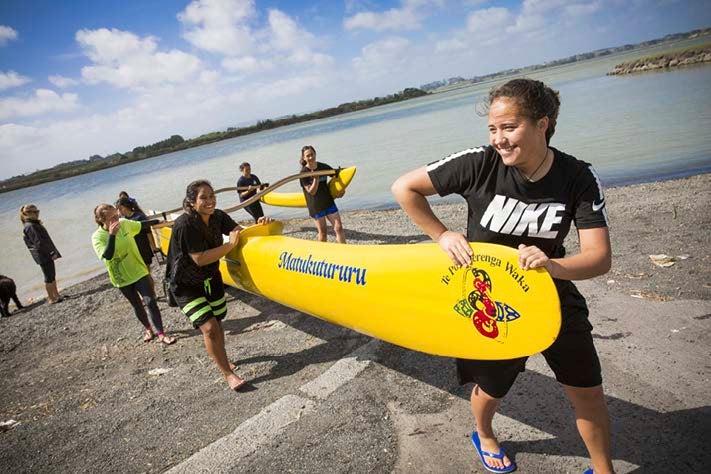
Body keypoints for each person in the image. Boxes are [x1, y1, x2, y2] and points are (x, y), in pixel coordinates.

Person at [392, 78, 614, 474]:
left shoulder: (577, 176)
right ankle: (484, 432)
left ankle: (603, 470)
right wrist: (443, 235)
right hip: (489, 301)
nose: (499, 139)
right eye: (493, 129)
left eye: (509, 127)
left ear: (542, 124)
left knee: (588, 391)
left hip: (551, 295)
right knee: (493, 386)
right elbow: (405, 187)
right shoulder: (480, 164)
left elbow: (599, 258)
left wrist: (553, 265)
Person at [166, 179, 271, 391]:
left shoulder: (218, 216)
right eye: (203, 197)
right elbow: (200, 258)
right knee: (210, 328)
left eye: (212, 196)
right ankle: (228, 373)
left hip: (211, 279)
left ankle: (223, 359)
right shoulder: (185, 224)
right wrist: (229, 245)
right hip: (185, 284)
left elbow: (239, 232)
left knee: (218, 324)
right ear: (191, 202)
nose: (209, 201)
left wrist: (260, 225)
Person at [92, 204, 176, 345]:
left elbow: (141, 225)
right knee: (137, 305)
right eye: (112, 218)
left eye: (117, 216)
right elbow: (107, 255)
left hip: (139, 270)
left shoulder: (124, 224)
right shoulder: (97, 237)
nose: (116, 220)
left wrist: (157, 222)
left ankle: (161, 333)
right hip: (121, 277)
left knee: (150, 301)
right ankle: (148, 329)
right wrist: (112, 236)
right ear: (101, 220)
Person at [299, 145, 346, 243]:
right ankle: (322, 255)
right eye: (308, 156)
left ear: (315, 154)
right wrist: (316, 178)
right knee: (323, 233)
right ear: (304, 158)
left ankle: (344, 251)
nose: (311, 157)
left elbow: (336, 176)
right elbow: (311, 191)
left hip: (328, 201)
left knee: (339, 228)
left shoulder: (323, 167)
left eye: (312, 154)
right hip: (316, 206)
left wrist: (341, 190)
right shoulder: (303, 173)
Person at [20, 204, 62, 304]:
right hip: (42, 255)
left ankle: (56, 294)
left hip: (45, 253)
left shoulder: (34, 224)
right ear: (26, 214)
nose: (36, 214)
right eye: (33, 212)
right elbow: (39, 243)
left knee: (52, 275)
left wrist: (52, 251)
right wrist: (51, 252)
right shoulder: (30, 226)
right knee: (48, 277)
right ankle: (51, 298)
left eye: (37, 211)